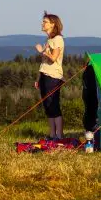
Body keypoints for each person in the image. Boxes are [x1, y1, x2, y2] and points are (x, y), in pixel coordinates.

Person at [34, 11, 65, 140]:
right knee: (47, 106)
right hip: (45, 76)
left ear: (53, 24)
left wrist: (42, 51)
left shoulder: (58, 39)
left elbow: (53, 58)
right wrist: (38, 79)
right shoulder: (49, 40)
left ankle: (59, 135)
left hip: (53, 77)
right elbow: (44, 63)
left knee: (53, 105)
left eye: (45, 22)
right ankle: (52, 134)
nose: (42, 23)